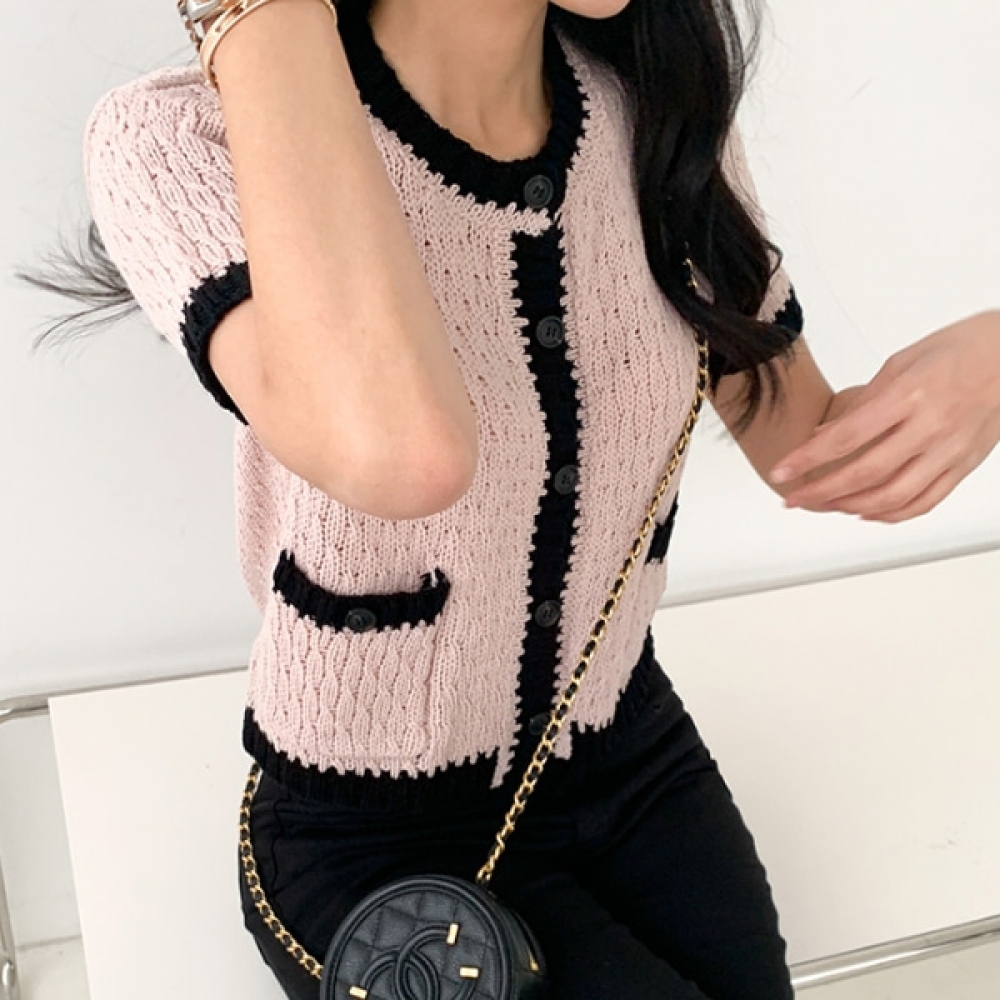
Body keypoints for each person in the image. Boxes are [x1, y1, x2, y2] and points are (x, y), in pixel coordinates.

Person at [15, 0, 1000, 997]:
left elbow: (812, 451)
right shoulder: (185, 141)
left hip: (631, 757)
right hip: (368, 840)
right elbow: (405, 455)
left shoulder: (650, 108)